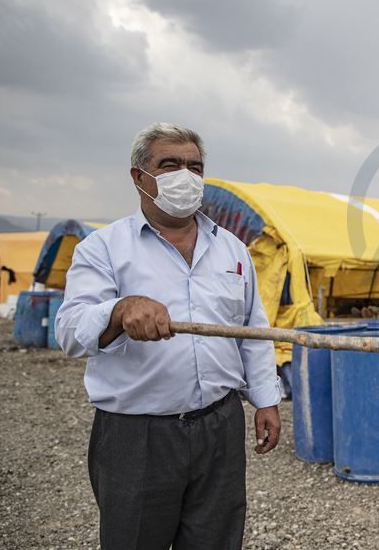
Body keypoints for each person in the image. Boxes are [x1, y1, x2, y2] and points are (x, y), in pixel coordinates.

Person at [55, 123, 282, 549]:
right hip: (137, 436)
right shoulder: (103, 248)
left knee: (216, 539)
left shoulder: (232, 249)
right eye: (170, 164)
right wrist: (119, 311)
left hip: (220, 426)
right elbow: (69, 331)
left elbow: (252, 331)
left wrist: (266, 399)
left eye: (194, 167)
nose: (185, 176)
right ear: (139, 177)